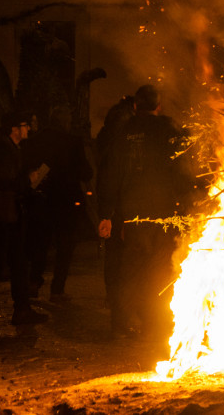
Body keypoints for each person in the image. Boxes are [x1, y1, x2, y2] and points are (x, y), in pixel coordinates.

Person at [97, 85, 190, 339]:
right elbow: (185, 169)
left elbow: (110, 175)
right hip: (164, 214)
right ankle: (154, 327)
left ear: (135, 106)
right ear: (158, 107)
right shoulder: (168, 129)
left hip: (134, 215)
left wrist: (106, 214)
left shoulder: (123, 133)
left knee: (130, 272)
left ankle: (120, 326)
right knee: (159, 273)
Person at [0, 111, 49, 324]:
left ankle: (22, 310)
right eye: (25, 124)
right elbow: (5, 183)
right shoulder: (2, 151)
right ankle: (22, 310)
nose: (28, 128)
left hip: (9, 214)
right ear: (14, 128)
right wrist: (29, 180)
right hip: (3, 215)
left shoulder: (10, 149)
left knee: (18, 262)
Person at [24, 105, 93, 302]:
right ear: (65, 121)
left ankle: (34, 282)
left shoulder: (35, 141)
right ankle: (57, 289)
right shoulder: (72, 142)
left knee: (40, 243)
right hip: (66, 202)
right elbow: (86, 172)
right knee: (65, 246)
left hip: (41, 200)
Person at [95, 95, 135, 335]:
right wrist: (110, 215)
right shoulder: (117, 149)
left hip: (114, 210)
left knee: (115, 262)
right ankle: (120, 317)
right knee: (121, 264)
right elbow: (111, 183)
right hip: (119, 212)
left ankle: (117, 308)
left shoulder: (107, 142)